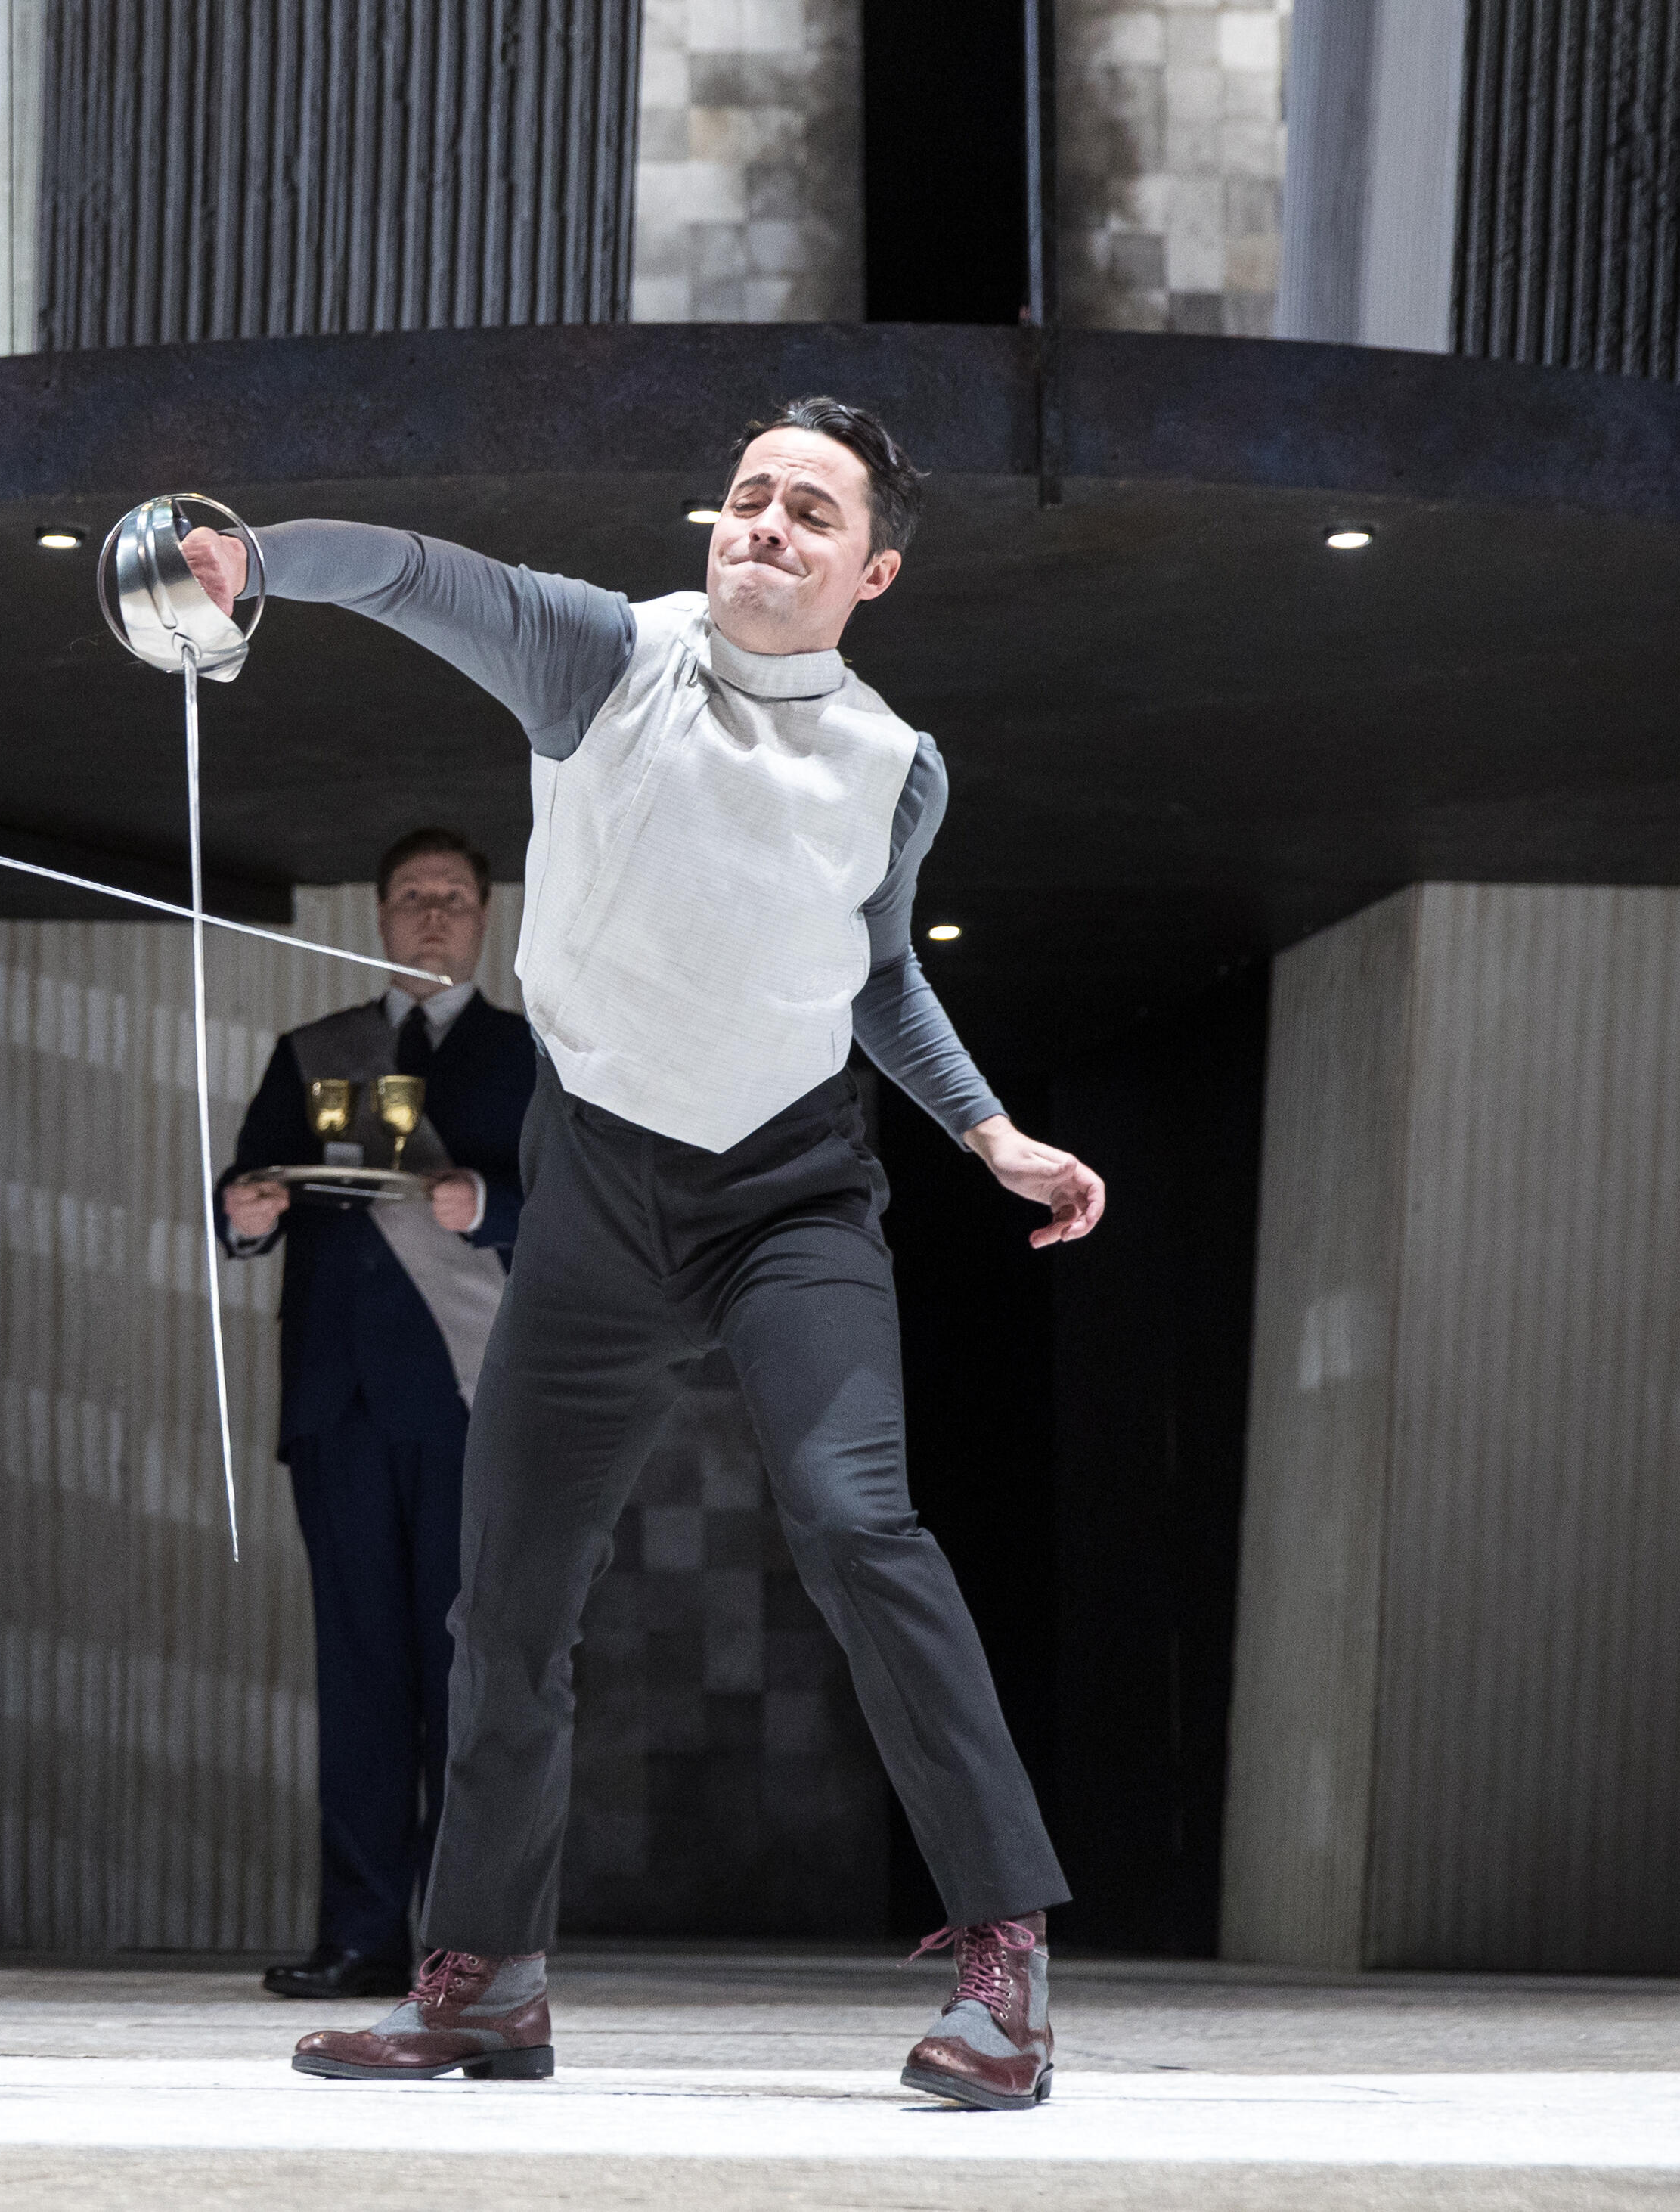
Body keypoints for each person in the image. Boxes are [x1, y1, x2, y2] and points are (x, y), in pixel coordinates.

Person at [190, 399, 1105, 2111]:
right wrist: (257, 568)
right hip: (600, 1192)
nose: (762, 523)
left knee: (856, 1517)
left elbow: (876, 972)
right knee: (509, 1602)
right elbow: (416, 577)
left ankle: (1005, 1966)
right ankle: (483, 1979)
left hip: (790, 1193)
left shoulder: (893, 764)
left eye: (806, 511)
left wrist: (987, 1132)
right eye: (747, 495)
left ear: (870, 569)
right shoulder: (604, 660)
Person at [218, 827, 533, 2001]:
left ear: (486, 916)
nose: (435, 915)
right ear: (381, 915)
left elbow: (579, 1216)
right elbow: (247, 1195)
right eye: (414, 897)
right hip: (339, 1405)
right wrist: (246, 1210)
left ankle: (465, 1940)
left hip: (465, 1399)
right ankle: (361, 1937)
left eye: (454, 897)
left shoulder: (530, 1056)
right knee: (357, 1681)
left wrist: (486, 1201)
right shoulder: (317, 1053)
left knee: (462, 1675)